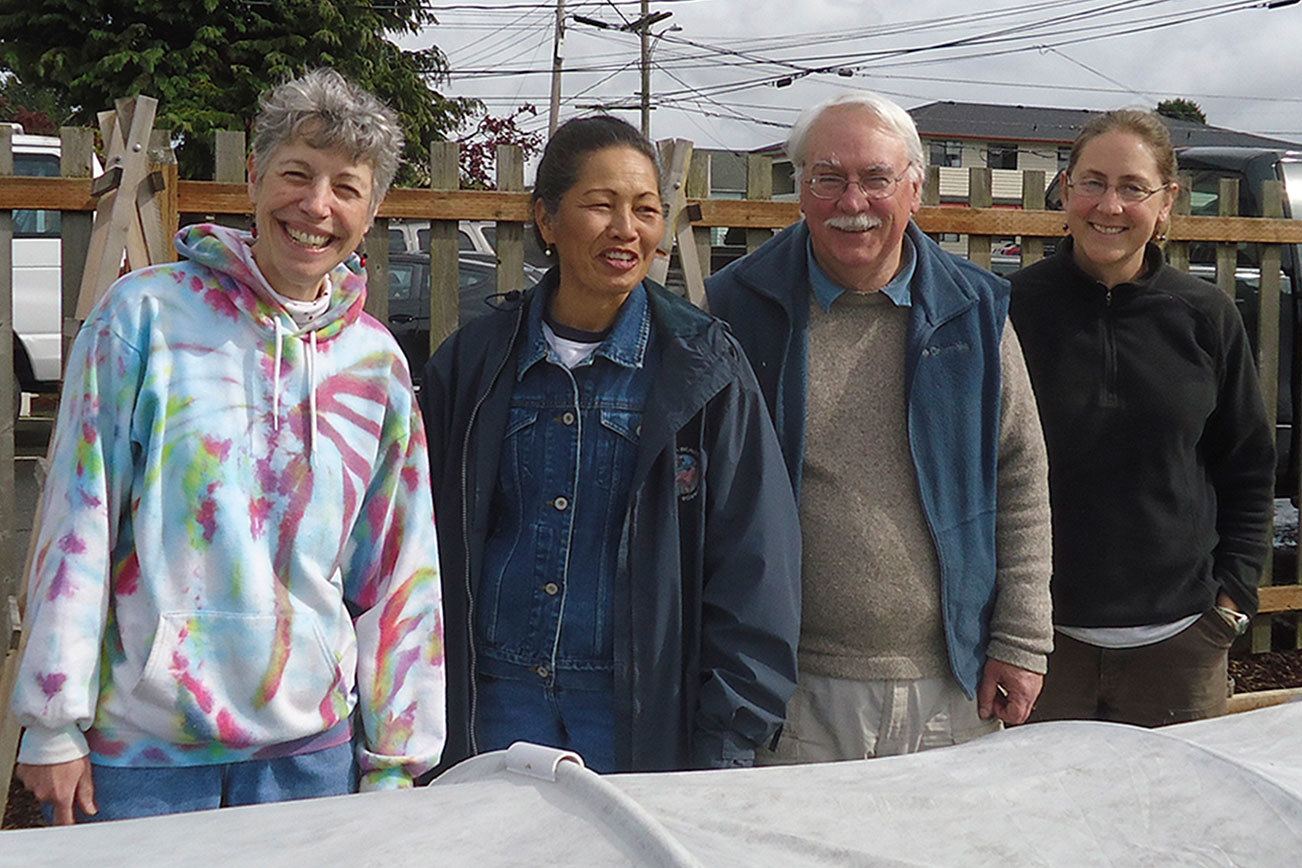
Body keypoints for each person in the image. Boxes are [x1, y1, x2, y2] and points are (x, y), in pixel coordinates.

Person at [13, 68, 445, 824]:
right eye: (296, 174)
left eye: (347, 188)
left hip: (311, 756)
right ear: (253, 176)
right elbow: (78, 519)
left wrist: (395, 763)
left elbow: (399, 567)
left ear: (372, 212)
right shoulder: (145, 318)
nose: (316, 207)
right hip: (143, 754)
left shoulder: (376, 363)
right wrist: (52, 722)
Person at [420, 115, 800, 774]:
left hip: (637, 709)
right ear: (547, 218)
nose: (627, 228)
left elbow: (755, 564)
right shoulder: (476, 365)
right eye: (601, 205)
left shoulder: (704, 368)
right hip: (494, 701)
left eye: (646, 210)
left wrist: (733, 730)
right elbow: (419, 545)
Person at [706, 92, 1053, 763]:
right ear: (801, 190)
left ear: (914, 189)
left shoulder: (974, 313)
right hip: (791, 689)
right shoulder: (737, 308)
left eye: (876, 178)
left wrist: (1021, 641)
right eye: (828, 178)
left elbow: (1021, 476)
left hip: (954, 683)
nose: (852, 200)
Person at [1010, 109, 1275, 726]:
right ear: (1066, 189)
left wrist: (1232, 601)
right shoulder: (1010, 310)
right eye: (1093, 182)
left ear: (1166, 203)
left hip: (1181, 649)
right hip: (1042, 650)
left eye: (1134, 188)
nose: (1110, 205)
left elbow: (1248, 466)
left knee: (1177, 822)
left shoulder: (1206, 316)